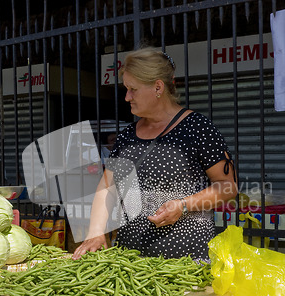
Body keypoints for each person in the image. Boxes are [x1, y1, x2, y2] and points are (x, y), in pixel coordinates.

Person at [72, 47, 237, 261]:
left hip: (185, 261)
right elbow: (107, 186)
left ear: (158, 87)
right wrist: (96, 231)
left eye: (133, 89)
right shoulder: (127, 136)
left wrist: (183, 205)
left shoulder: (198, 128)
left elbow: (227, 186)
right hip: (129, 262)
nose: (127, 97)